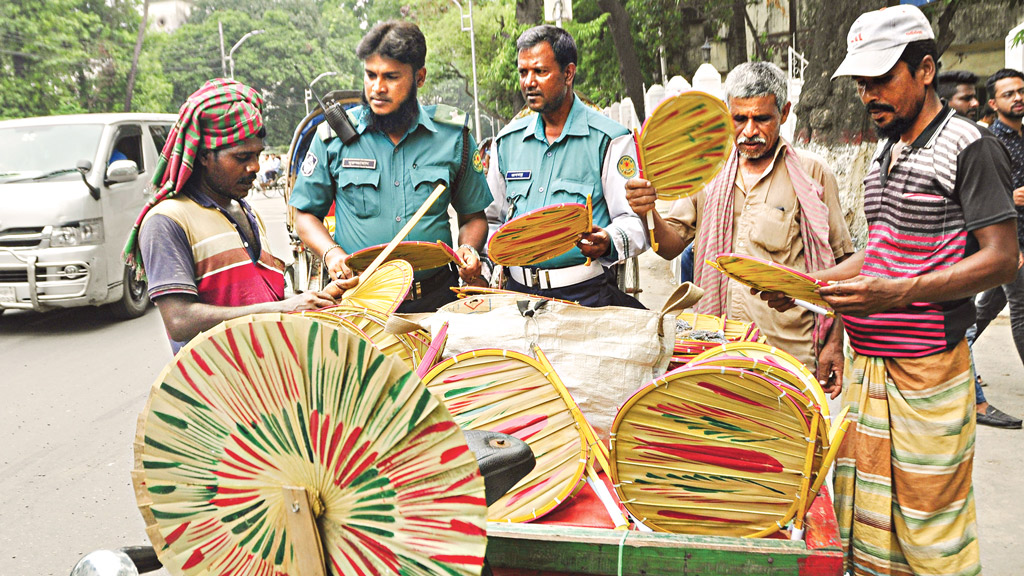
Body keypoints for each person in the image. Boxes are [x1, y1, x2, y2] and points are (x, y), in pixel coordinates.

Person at [800, 6, 1018, 574]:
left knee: (930, 526)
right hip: (872, 366)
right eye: (862, 83)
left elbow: (1002, 259)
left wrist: (898, 294)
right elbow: (880, 255)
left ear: (925, 70)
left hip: (931, 371)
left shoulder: (970, 146)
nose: (870, 94)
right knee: (872, 522)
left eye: (882, 79)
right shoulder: (885, 150)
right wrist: (809, 287)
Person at [626, 62, 855, 387]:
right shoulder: (708, 174)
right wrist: (646, 212)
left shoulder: (813, 175)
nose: (749, 131)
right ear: (727, 115)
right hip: (715, 349)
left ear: (785, 112)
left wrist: (834, 345)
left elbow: (843, 268)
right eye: (740, 119)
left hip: (788, 357)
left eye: (761, 118)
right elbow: (670, 246)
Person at [123, 79, 337, 354]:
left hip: (271, 376)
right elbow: (179, 320)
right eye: (241, 157)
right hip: (218, 390)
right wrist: (281, 308)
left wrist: (311, 300)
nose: (255, 167)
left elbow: (265, 295)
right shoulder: (167, 221)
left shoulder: (248, 212)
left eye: (258, 155)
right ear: (203, 156)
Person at [290, 20, 491, 312]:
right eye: (370, 75)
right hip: (362, 302)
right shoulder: (333, 138)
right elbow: (305, 215)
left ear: (420, 77)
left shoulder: (453, 137)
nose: (377, 88)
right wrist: (332, 254)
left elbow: (474, 217)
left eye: (391, 77)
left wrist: (469, 249)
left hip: (436, 301)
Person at [486, 25, 646, 307]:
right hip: (515, 297)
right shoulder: (507, 142)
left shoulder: (611, 140)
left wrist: (607, 240)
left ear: (568, 73)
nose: (529, 82)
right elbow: (491, 220)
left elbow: (635, 222)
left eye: (540, 71)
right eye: (523, 72)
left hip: (585, 295)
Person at [969, 68, 1024, 427]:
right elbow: (994, 198)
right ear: (994, 103)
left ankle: (961, 347)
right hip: (1011, 242)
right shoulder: (994, 142)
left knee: (987, 308)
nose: (1018, 98)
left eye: (1021, 91)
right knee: (1021, 307)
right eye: (1009, 94)